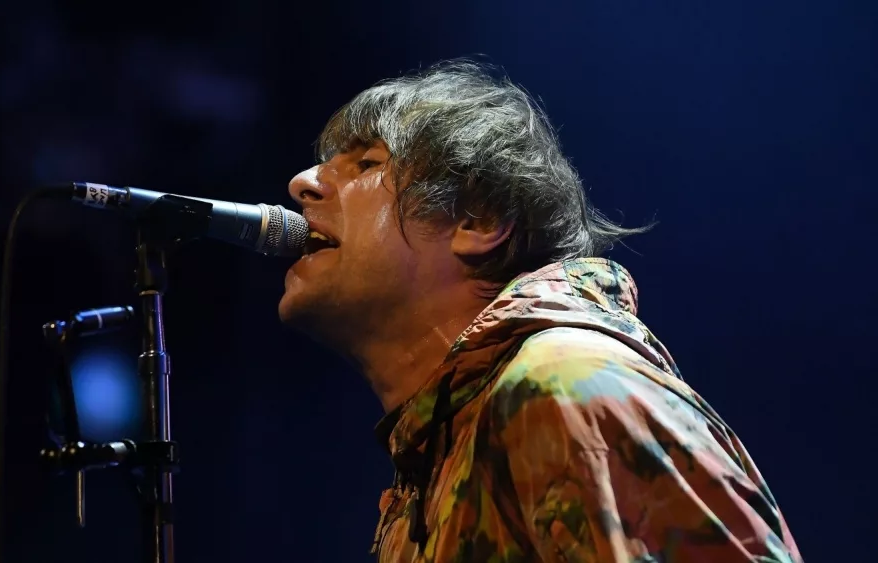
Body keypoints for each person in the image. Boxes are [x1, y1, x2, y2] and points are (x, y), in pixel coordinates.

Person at [277, 60, 802, 563]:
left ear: (479, 221)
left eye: (367, 164)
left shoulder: (566, 384)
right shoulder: (445, 442)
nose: (302, 182)